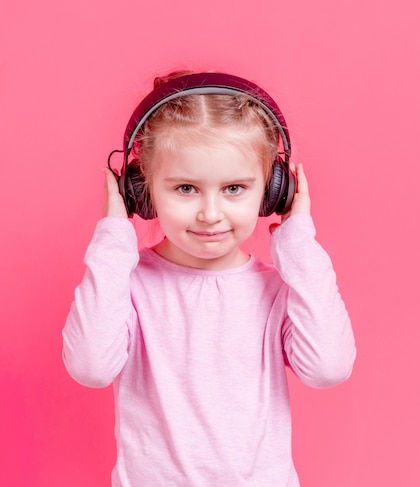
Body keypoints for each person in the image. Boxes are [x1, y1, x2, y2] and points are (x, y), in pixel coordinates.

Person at [62, 71, 356, 486]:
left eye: (234, 188)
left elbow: (328, 368)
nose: (210, 213)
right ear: (139, 190)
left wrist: (299, 243)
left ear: (275, 191)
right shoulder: (127, 286)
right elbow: (90, 366)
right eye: (186, 188)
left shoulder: (275, 291)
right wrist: (113, 238)